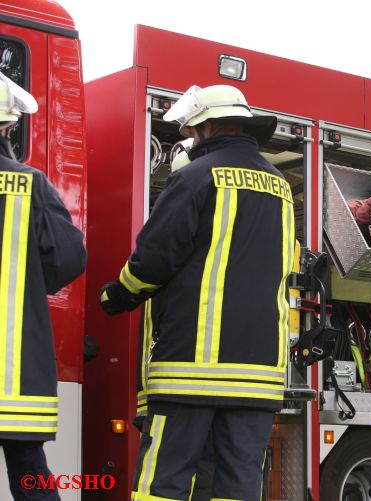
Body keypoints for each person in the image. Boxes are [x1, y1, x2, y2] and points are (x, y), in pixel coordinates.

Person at [99, 83, 291, 500]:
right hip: (259, 376)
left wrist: (116, 296)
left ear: (206, 128)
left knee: (164, 481)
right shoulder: (280, 188)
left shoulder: (193, 177)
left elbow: (154, 259)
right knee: (237, 485)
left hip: (192, 368)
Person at [0, 71, 86, 500]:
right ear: (9, 127)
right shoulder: (30, 185)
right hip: (14, 372)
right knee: (30, 476)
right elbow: (70, 257)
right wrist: (32, 283)